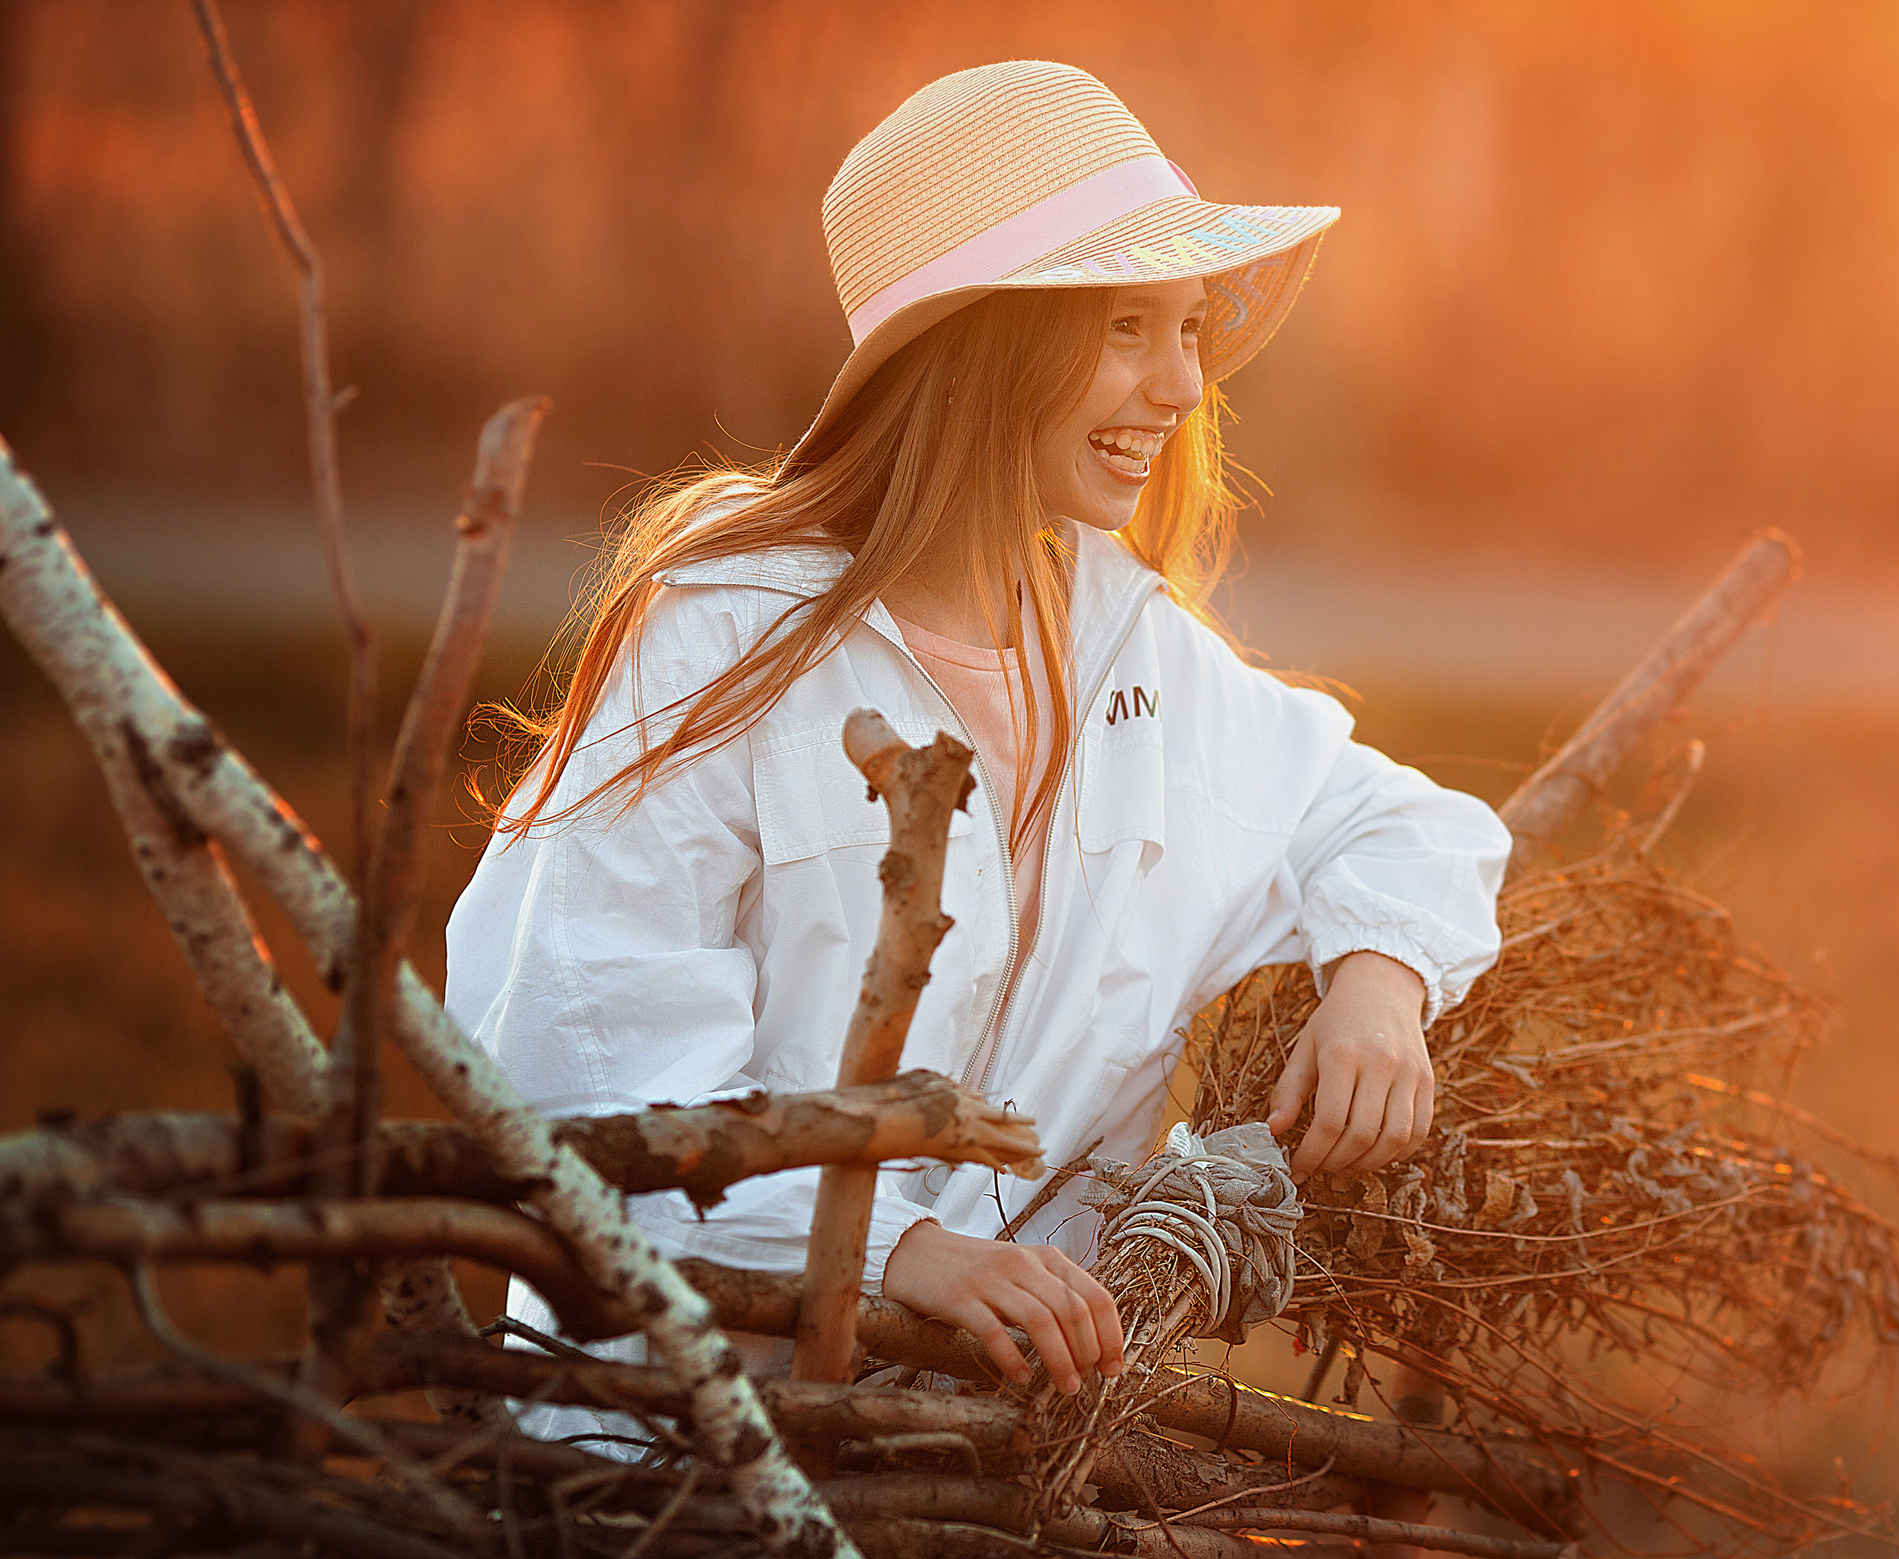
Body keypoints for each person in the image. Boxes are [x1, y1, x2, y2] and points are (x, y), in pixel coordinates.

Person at [446, 61, 1508, 1419]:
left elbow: (1400, 822)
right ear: (985, 344)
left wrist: (1381, 978)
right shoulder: (726, 639)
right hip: (681, 1449)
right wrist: (902, 1248)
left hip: (982, 1453)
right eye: (1130, 326)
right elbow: (577, 1041)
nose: (1184, 383)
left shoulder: (1126, 647)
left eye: (1190, 327)